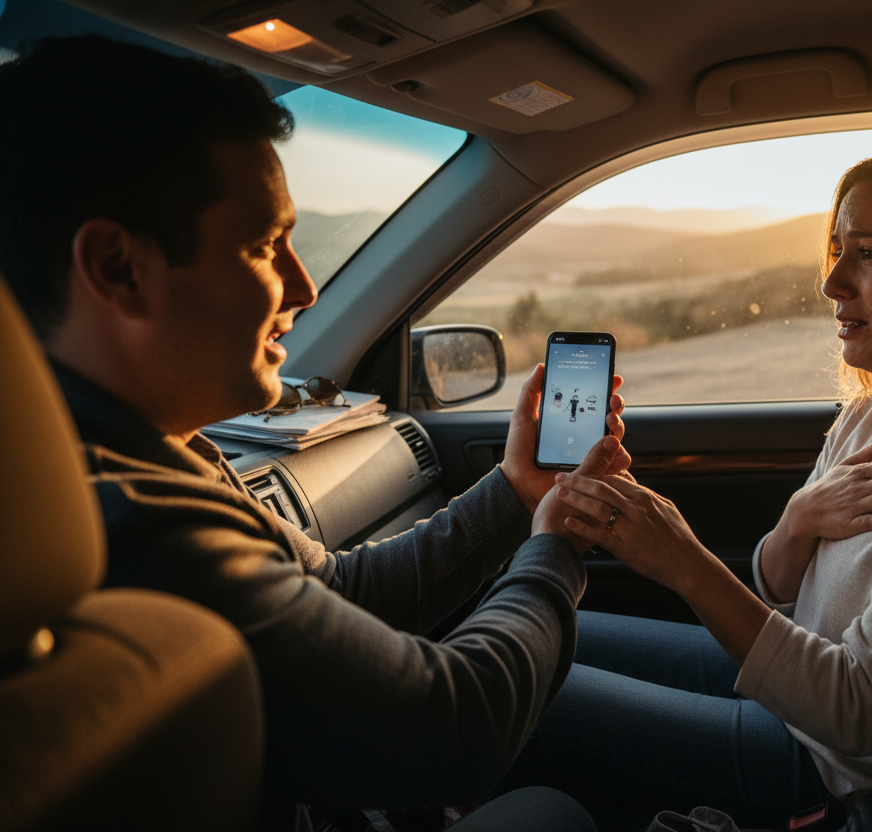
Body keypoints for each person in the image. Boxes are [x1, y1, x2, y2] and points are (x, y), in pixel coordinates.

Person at [0, 36, 628, 831]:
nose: (303, 286)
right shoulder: (140, 524)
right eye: (264, 247)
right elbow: (454, 728)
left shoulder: (168, 454)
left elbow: (341, 594)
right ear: (119, 268)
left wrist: (516, 494)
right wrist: (556, 545)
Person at [499, 143, 872, 827]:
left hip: (830, 765)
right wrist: (798, 520)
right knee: (538, 636)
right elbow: (774, 590)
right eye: (837, 248)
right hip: (788, 684)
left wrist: (681, 558)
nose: (833, 282)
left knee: (505, 685)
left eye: (871, 254)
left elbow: (860, 712)